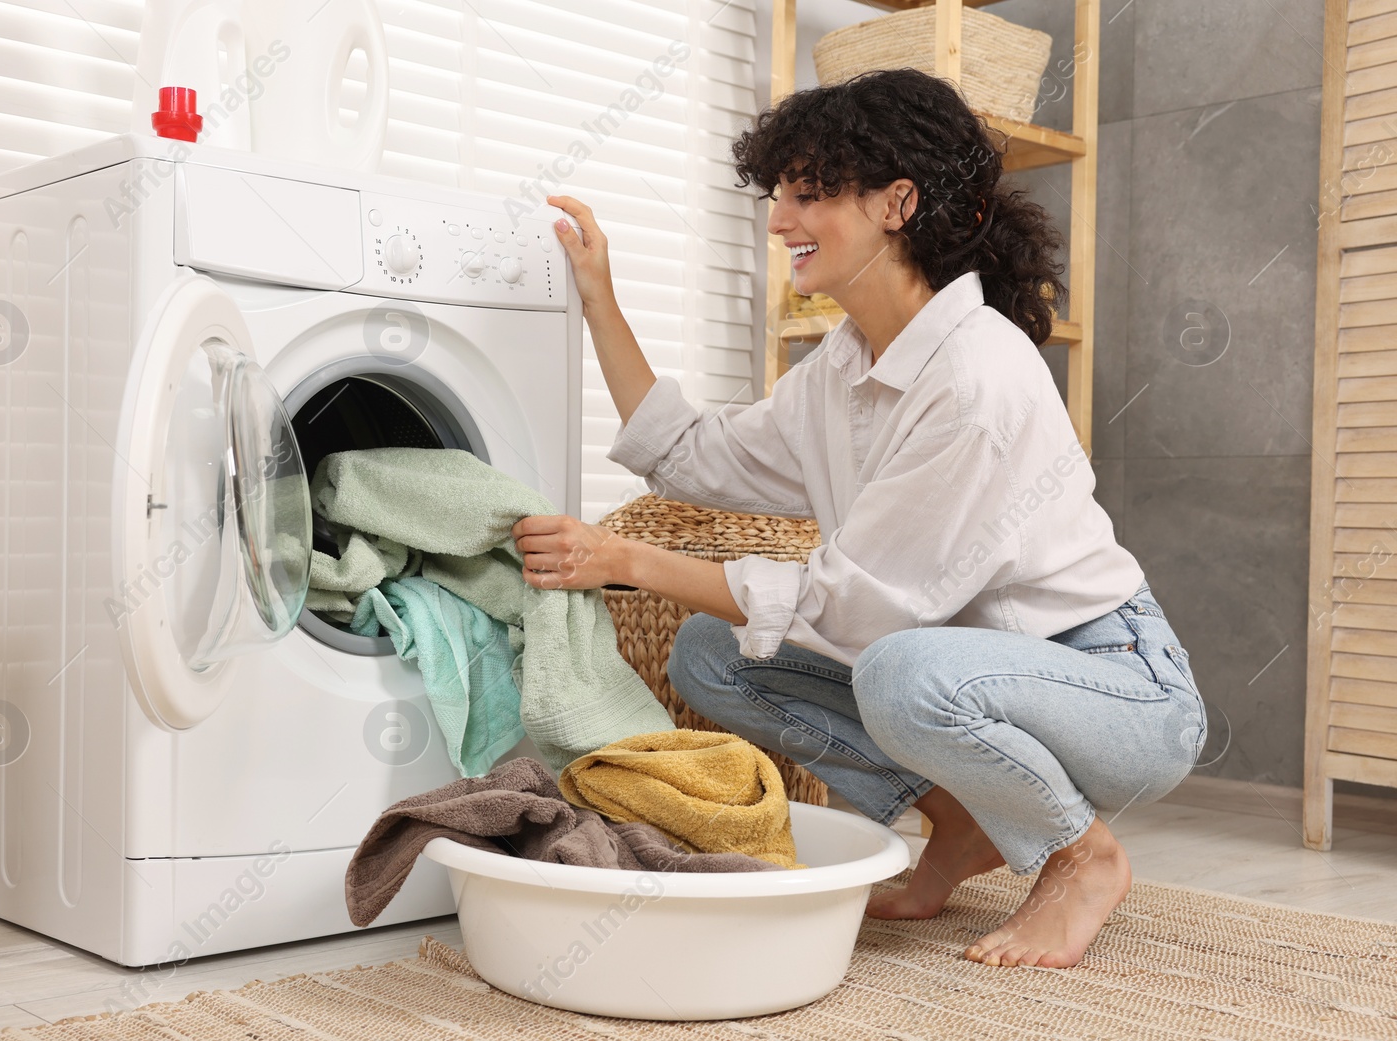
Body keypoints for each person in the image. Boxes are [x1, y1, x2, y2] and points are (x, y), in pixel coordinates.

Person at [509, 68, 1208, 970]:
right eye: (779, 195)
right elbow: (689, 453)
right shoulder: (840, 372)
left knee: (899, 671)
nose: (777, 220)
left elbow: (853, 611)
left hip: (1120, 689)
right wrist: (599, 293)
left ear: (897, 203)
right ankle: (960, 826)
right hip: (971, 676)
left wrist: (625, 558)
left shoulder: (975, 376)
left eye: (808, 194)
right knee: (712, 655)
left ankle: (1082, 856)